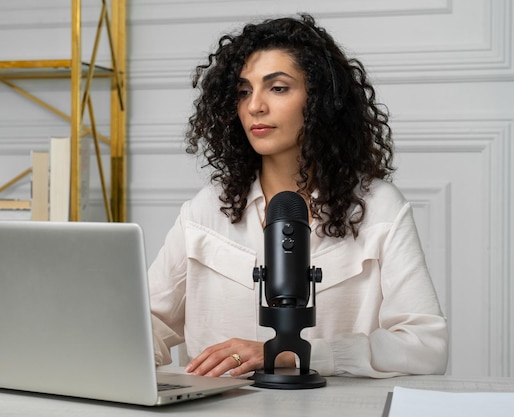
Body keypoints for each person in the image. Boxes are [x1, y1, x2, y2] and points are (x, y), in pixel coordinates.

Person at [148, 13, 448, 378]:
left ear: (320, 100)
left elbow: (426, 348)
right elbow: (148, 323)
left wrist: (292, 355)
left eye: (278, 88)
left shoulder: (379, 209)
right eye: (244, 91)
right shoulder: (205, 211)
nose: (255, 105)